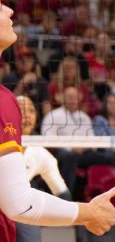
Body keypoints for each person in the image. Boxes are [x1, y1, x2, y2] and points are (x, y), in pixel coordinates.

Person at [0, 1, 115, 237]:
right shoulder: (3, 100)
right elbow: (19, 204)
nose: (10, 10)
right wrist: (89, 213)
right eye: (0, 7)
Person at [13, 96, 70, 242]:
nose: (26, 114)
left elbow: (62, 194)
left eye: (31, 110)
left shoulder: (40, 153)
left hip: (19, 207)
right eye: (21, 109)